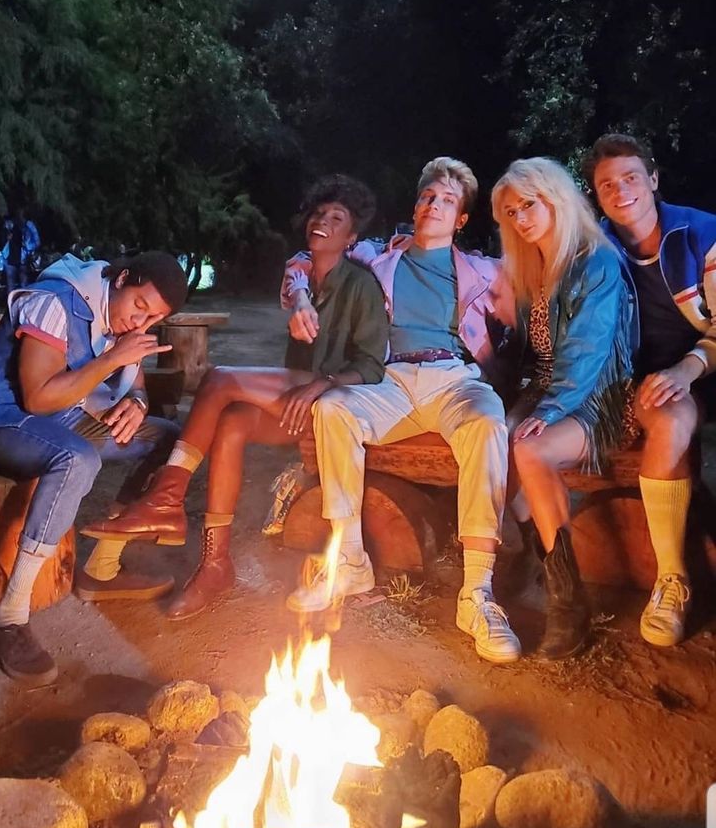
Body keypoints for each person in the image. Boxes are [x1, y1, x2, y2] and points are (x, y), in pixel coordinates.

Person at [81, 175, 389, 620]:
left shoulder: (362, 286)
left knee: (221, 379)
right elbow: (296, 281)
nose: (322, 221)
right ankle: (215, 565)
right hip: (296, 401)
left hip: (333, 401)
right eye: (319, 213)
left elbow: (372, 366)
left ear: (352, 236)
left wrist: (322, 382)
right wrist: (301, 302)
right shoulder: (299, 275)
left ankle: (168, 496)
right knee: (231, 423)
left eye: (336, 218)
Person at [282, 157, 522, 664]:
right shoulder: (375, 258)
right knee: (334, 410)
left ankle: (477, 595)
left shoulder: (484, 270)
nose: (433, 205)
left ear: (461, 219)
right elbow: (306, 259)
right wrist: (302, 297)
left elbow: (533, 308)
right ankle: (348, 561)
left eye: (447, 201)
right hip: (390, 378)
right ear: (416, 206)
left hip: (455, 377)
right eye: (427, 196)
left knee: (485, 422)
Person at [0, 251, 187, 685]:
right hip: (0, 416)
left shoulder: (121, 320)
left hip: (61, 418)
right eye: (139, 307)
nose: (139, 323)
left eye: (152, 318)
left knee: (168, 439)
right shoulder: (57, 301)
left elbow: (137, 385)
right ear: (121, 278)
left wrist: (136, 403)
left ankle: (102, 568)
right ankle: (10, 615)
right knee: (76, 458)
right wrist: (111, 360)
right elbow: (37, 398)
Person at [491, 157, 632, 659]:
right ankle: (532, 548)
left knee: (531, 451)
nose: (522, 217)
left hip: (599, 391)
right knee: (491, 441)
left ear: (556, 199)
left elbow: (588, 353)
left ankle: (569, 604)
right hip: (546, 387)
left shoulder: (596, 261)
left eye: (530, 204)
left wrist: (549, 413)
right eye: (511, 211)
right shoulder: (533, 267)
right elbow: (531, 352)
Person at [582, 133, 716, 647]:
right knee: (670, 417)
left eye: (631, 177)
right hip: (650, 380)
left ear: (654, 180)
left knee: (673, 403)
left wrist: (687, 368)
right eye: (607, 184)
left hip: (704, 362)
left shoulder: (699, 233)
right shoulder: (597, 247)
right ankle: (671, 579)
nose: (621, 190)